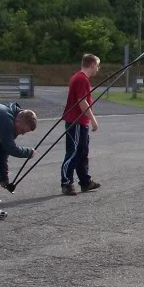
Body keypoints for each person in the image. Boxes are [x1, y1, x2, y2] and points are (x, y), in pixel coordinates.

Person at [61, 53, 102, 196]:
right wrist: (93, 120)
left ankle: (85, 181)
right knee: (74, 151)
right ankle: (66, 182)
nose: (98, 68)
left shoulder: (80, 78)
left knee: (83, 151)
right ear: (92, 65)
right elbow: (82, 101)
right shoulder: (81, 79)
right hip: (76, 121)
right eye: (97, 65)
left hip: (80, 122)